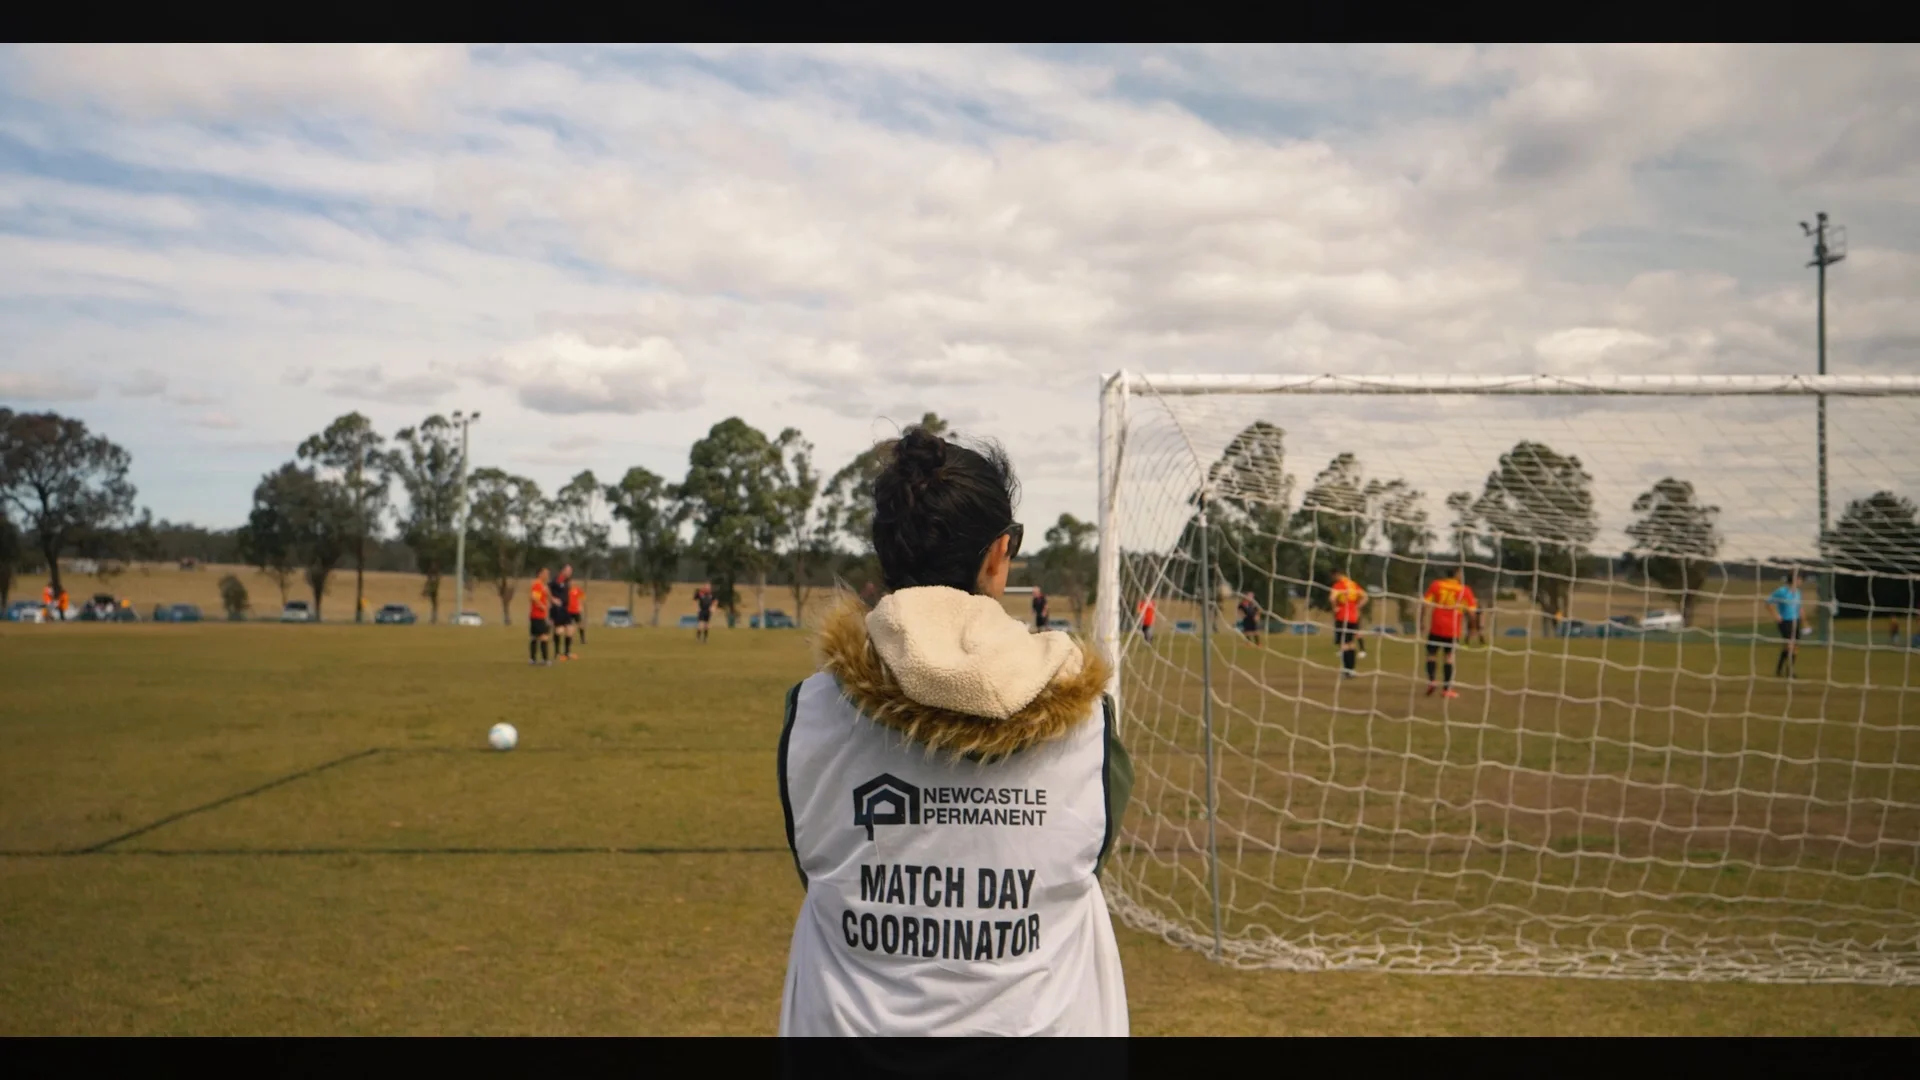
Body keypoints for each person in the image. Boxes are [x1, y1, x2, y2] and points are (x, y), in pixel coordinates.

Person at [777, 423, 1130, 1043]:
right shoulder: (1087, 723)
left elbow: (819, 867)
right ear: (999, 553)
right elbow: (1082, 863)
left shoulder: (811, 710)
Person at [1422, 569, 1478, 698]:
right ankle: (1446, 689)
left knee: (1431, 655)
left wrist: (1421, 621)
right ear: (1457, 575)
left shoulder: (1436, 585)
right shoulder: (1464, 590)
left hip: (1436, 627)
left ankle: (1432, 681)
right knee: (1449, 658)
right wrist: (1473, 628)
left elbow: (1425, 604)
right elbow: (1472, 613)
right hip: (1452, 629)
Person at [1769, 572, 1805, 678]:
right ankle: (1790, 671)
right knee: (1790, 646)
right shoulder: (1781, 591)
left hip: (1796, 621)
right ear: (1794, 580)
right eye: (1799, 579)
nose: (1801, 581)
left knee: (1793, 647)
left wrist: (1804, 622)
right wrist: (1776, 615)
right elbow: (1768, 603)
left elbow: (1799, 607)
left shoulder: (1798, 592)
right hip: (1785, 622)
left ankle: (1779, 669)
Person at [1330, 573, 1367, 678]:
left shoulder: (1338, 585)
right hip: (1353, 618)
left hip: (1342, 617)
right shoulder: (1353, 585)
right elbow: (1365, 596)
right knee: (1351, 644)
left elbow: (1332, 598)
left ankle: (1346, 671)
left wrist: (1335, 607)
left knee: (1344, 644)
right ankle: (1352, 670)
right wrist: (1357, 606)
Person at [528, 568, 553, 666]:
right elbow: (534, 598)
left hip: (538, 615)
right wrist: (542, 606)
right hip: (537, 615)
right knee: (544, 637)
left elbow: (546, 596)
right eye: (546, 574)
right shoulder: (537, 584)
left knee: (534, 637)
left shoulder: (543, 585)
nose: (547, 576)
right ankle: (544, 660)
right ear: (540, 574)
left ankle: (533, 659)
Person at [549, 564, 575, 662]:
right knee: (559, 630)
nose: (570, 573)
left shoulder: (567, 581)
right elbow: (547, 590)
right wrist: (553, 599)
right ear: (563, 571)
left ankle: (567, 653)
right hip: (558, 609)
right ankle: (557, 653)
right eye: (568, 571)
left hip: (566, 608)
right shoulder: (557, 579)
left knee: (570, 629)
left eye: (571, 571)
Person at [569, 578, 586, 649]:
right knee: (570, 626)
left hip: (576, 611)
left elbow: (582, 596)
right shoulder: (566, 590)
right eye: (570, 582)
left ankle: (582, 639)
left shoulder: (577, 590)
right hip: (568, 611)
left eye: (572, 582)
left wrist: (581, 605)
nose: (571, 583)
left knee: (580, 624)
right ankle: (570, 639)